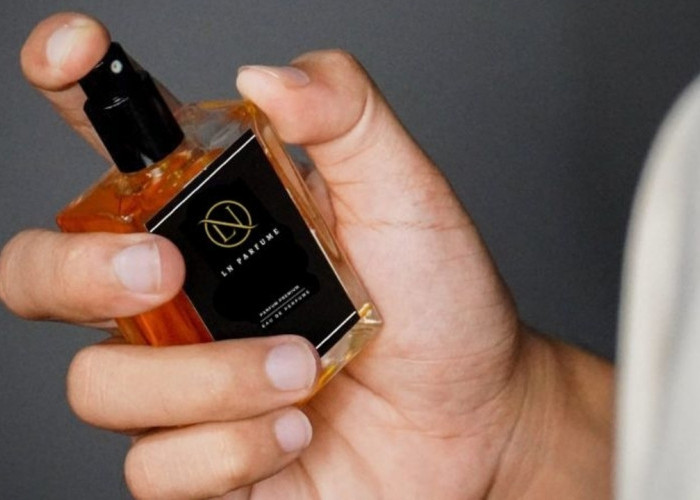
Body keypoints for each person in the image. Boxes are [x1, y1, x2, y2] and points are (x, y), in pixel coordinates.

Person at [0, 12, 613, 499]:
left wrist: (509, 425)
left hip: (378, 355)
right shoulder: (117, 212)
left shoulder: (226, 129)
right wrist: (516, 421)